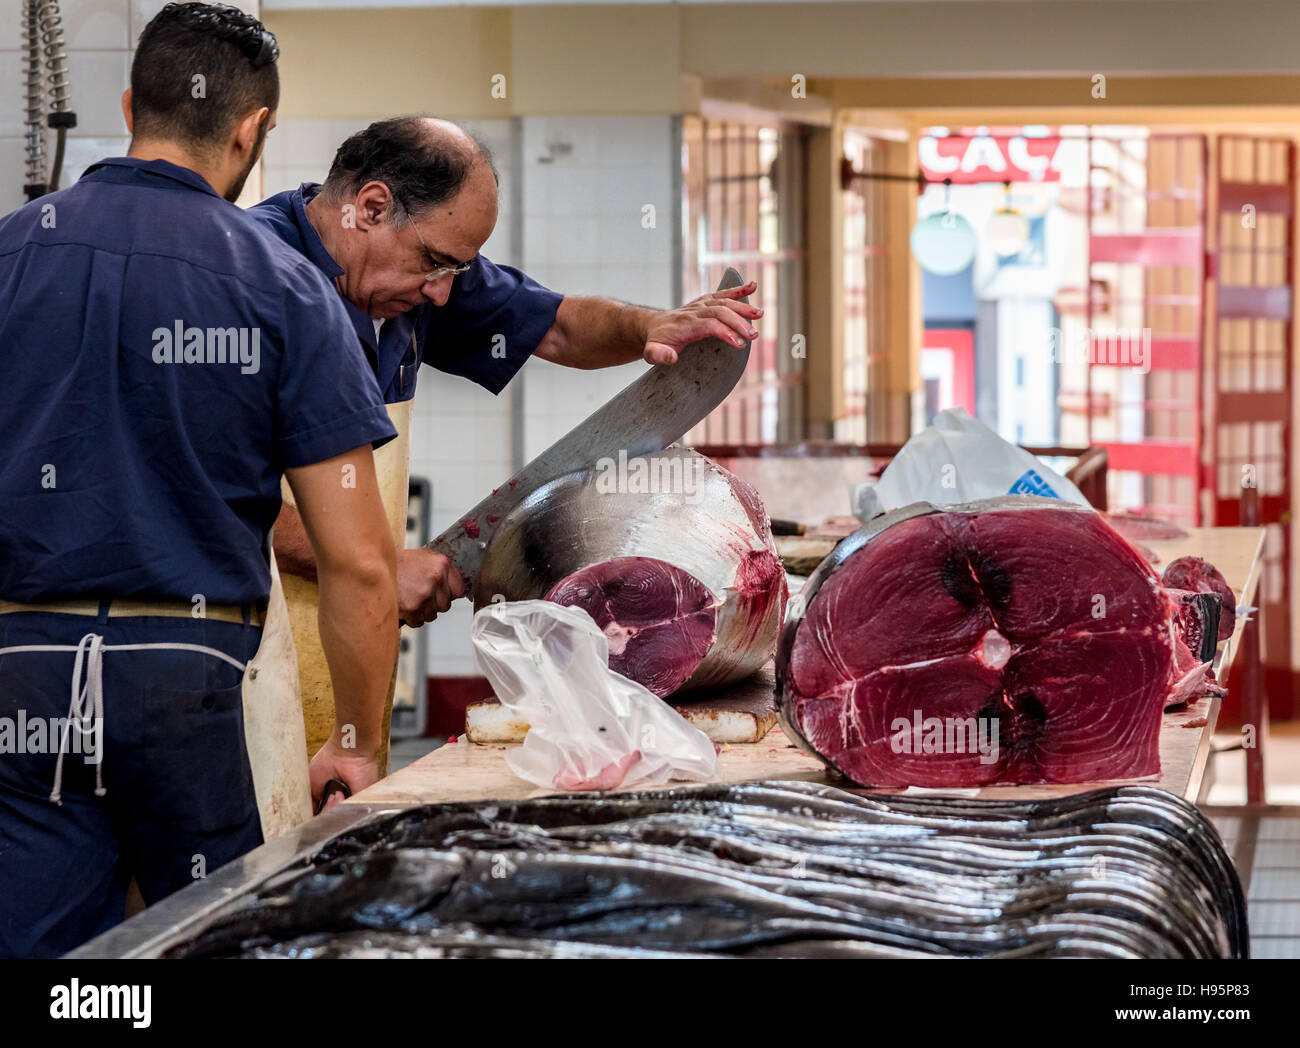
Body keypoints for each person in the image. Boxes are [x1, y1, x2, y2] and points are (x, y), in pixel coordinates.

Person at [0, 2, 398, 958]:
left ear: (132, 101)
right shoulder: (284, 286)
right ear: (252, 131)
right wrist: (356, 739)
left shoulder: (11, 254)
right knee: (205, 941)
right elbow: (362, 567)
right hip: (185, 678)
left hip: (22, 674)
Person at [249, 117, 763, 628]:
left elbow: (556, 326)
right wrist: (374, 567)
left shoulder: (414, 281)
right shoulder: (244, 280)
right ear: (371, 207)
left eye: (455, 271)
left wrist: (648, 325)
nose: (442, 293)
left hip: (348, 619)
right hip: (252, 627)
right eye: (434, 262)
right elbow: (203, 487)